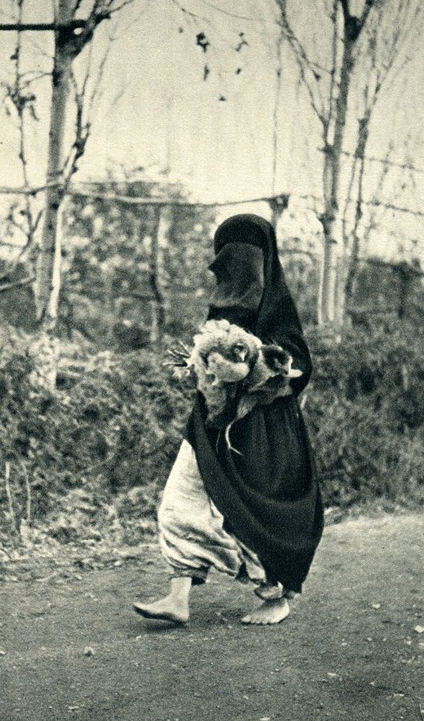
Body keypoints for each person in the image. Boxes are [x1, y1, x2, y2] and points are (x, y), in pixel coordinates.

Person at [133, 213, 323, 625]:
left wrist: (258, 366)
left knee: (253, 515)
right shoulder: (220, 313)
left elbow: (298, 368)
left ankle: (275, 596)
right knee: (182, 497)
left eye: (247, 259)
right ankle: (178, 596)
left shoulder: (279, 315)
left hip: (262, 434)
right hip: (209, 424)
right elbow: (207, 360)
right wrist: (199, 364)